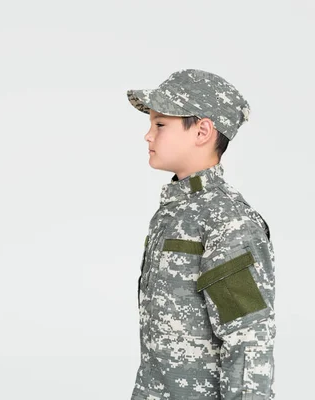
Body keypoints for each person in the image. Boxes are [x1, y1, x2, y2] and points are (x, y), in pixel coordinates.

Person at [127, 70, 275, 399]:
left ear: (202, 131)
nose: (148, 136)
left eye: (160, 125)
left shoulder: (227, 221)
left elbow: (247, 342)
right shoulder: (175, 214)